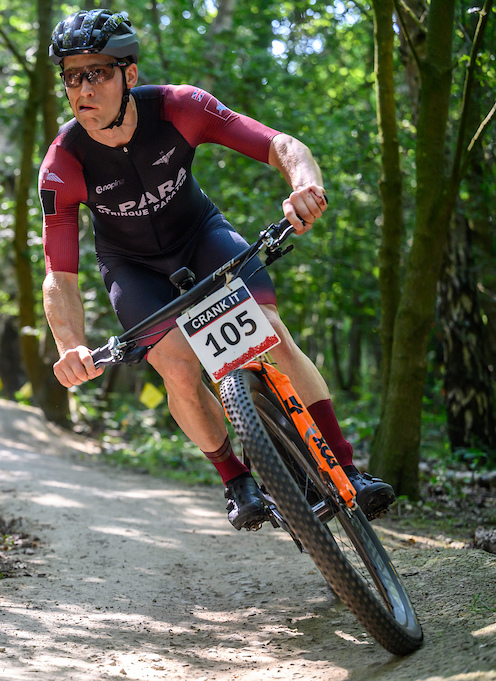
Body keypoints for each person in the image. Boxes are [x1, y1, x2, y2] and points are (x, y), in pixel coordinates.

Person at [39, 8, 394, 530]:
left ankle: (345, 466)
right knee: (178, 367)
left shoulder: (180, 107)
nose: (83, 89)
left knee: (270, 334)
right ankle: (236, 479)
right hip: (132, 269)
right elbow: (59, 276)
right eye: (72, 76)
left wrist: (304, 185)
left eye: (97, 73)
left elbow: (281, 145)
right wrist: (69, 344)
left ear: (129, 75)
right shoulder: (63, 164)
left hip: (200, 238)